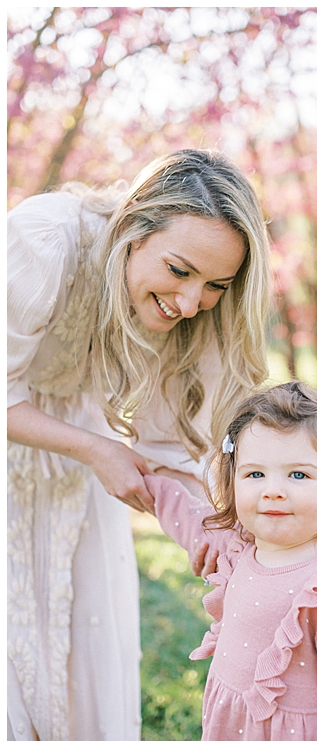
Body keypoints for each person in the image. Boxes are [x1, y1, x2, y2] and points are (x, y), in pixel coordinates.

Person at [7, 149, 271, 740]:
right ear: (133, 230)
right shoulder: (46, 238)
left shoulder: (191, 316)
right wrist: (96, 449)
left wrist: (217, 531)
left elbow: (170, 446)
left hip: (81, 464)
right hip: (26, 444)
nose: (188, 302)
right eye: (179, 270)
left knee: (88, 641)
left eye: (215, 286)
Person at [145, 381, 317, 740]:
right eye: (255, 474)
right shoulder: (235, 548)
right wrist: (141, 480)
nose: (273, 489)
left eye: (298, 474)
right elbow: (185, 515)